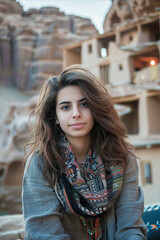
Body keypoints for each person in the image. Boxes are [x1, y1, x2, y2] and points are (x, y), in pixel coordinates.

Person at [22, 65, 147, 240]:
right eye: (66, 107)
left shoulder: (122, 156)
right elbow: (45, 234)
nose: (76, 114)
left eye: (84, 104)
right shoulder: (42, 162)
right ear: (55, 117)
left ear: (95, 109)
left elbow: (130, 226)